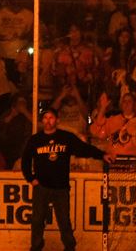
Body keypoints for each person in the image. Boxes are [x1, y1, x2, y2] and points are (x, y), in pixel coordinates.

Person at [22, 106, 114, 251]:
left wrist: (101, 154)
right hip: (41, 187)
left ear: (57, 120)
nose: (48, 121)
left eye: (51, 117)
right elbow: (25, 161)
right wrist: (31, 179)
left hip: (61, 187)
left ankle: (70, 247)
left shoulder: (65, 138)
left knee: (64, 221)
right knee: (37, 220)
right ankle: (36, 246)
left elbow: (84, 149)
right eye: (45, 118)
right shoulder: (35, 140)